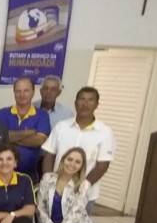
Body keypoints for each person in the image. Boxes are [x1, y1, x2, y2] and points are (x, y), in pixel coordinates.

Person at [41, 87, 114, 215]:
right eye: (82, 99)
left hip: (85, 195)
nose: (85, 103)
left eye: (90, 100)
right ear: (75, 103)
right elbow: (49, 154)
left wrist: (84, 186)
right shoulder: (62, 127)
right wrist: (48, 180)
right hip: (56, 191)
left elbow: (103, 165)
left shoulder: (105, 132)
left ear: (96, 104)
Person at [0, 77, 51, 180]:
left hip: (30, 174)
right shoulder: (2, 113)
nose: (22, 94)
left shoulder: (42, 115)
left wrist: (10, 137)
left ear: (33, 92)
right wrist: (27, 133)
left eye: (26, 91)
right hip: (3, 172)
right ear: (14, 93)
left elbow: (39, 140)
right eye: (18, 91)